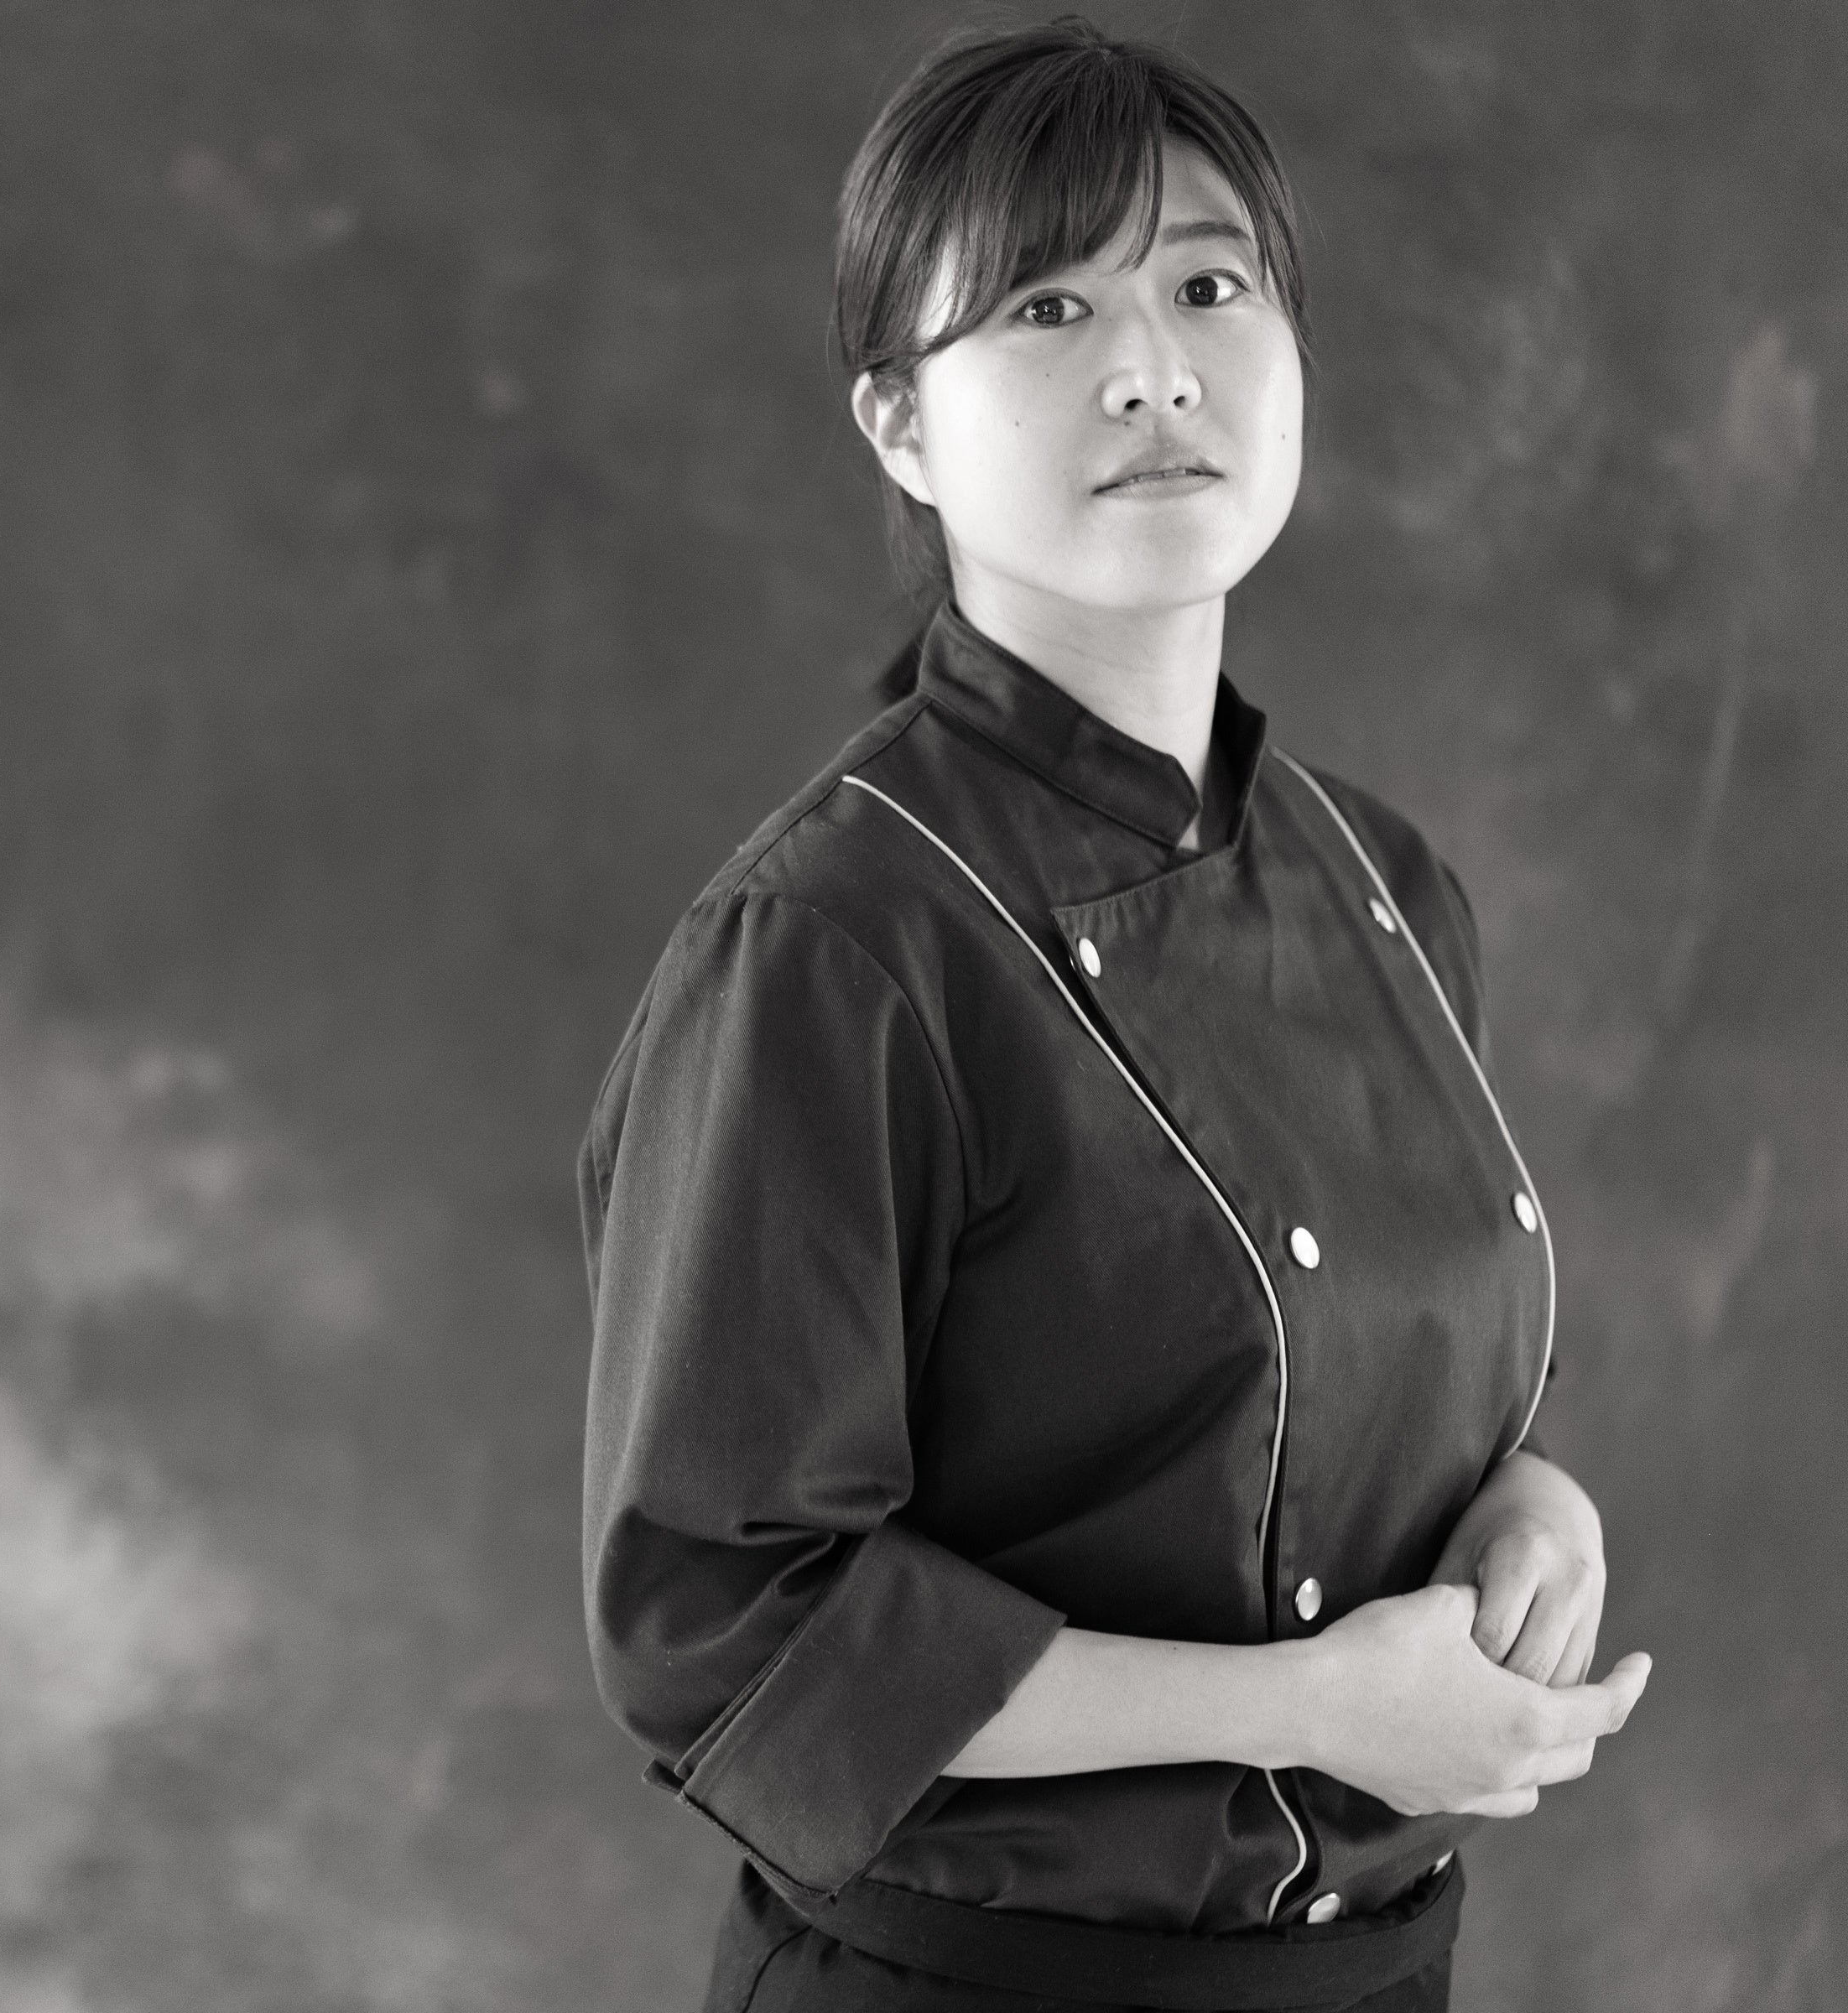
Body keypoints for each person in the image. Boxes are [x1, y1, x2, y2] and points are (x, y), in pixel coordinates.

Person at [575, 20, 1652, 2012]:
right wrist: (1302, 1705)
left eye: (1208, 287)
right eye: (1049, 306)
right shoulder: (835, 944)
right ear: (899, 424)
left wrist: (1534, 1503)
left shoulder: (1387, 880)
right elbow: (729, 1627)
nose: (1153, 366)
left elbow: (1374, 1391)